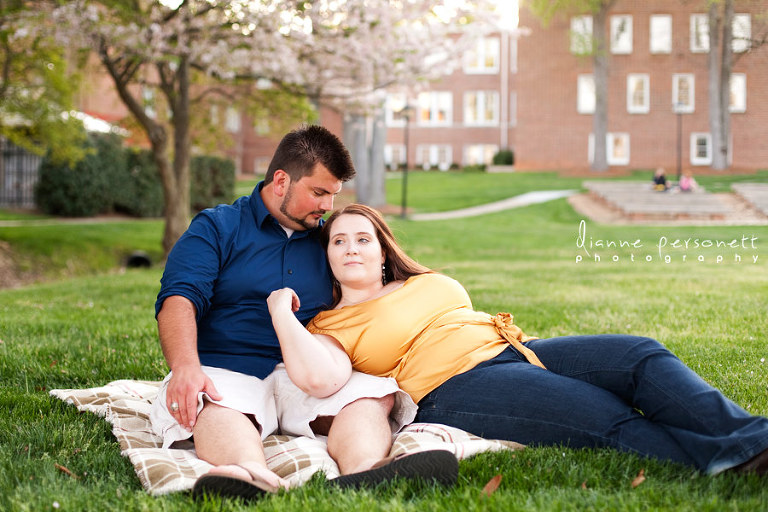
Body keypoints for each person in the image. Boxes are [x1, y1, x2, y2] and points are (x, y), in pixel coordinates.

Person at [267, 203, 768, 476]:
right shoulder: (330, 326)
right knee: (602, 417)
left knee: (640, 355)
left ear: (382, 252)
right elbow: (317, 376)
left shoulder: (416, 280)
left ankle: (751, 439)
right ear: (327, 258)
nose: (351, 247)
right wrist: (280, 312)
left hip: (517, 349)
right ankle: (725, 463)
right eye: (338, 240)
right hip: (456, 387)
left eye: (363, 238)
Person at [150, 127, 457, 501]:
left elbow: (373, 278)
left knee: (370, 397)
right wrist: (185, 367)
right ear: (281, 181)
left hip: (310, 369)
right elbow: (179, 298)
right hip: (228, 367)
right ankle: (251, 475)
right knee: (213, 402)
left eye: (333, 195)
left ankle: (366, 472)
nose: (328, 206)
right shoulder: (217, 227)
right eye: (319, 192)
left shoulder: (330, 238)